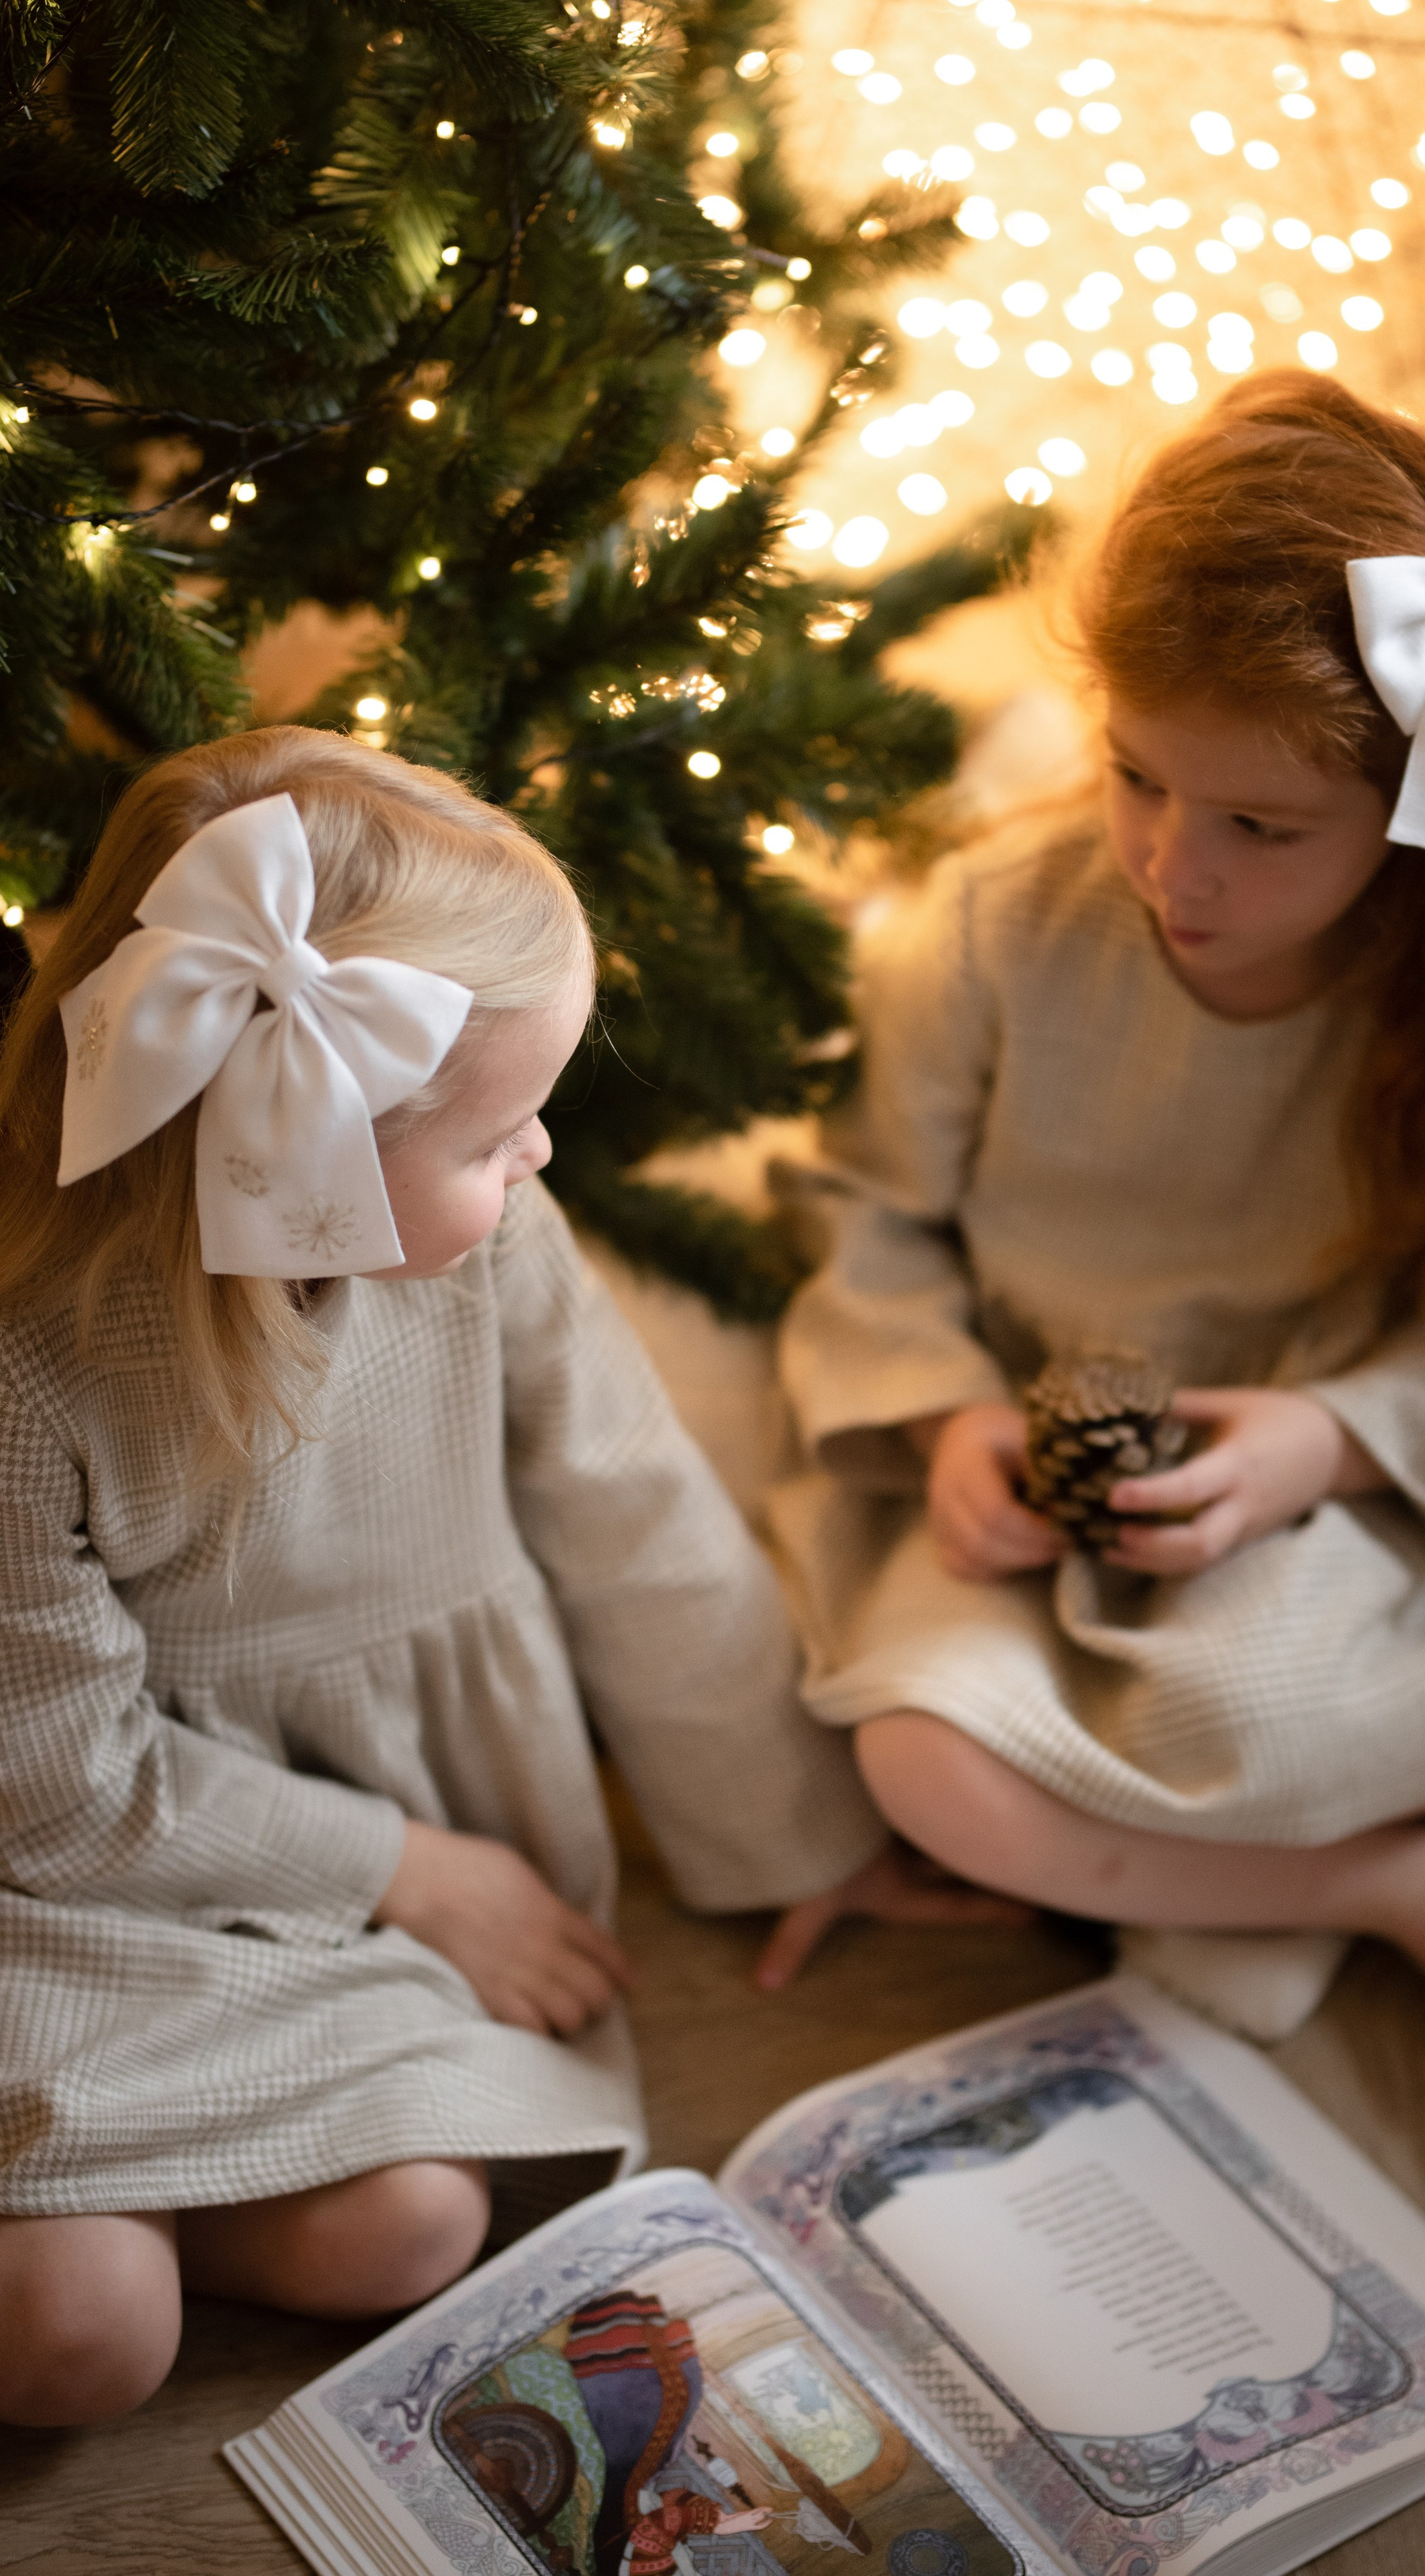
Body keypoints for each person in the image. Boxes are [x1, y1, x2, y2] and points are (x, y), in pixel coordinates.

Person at [0, 727, 1006, 2431]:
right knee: (80, 2336)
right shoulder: (37, 1377)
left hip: (350, 1885)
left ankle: (128, 2166)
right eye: (496, 1135)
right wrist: (411, 1870)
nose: (539, 1160)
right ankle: (88, 2195)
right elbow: (57, 1786)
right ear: (297, 1155)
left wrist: (803, 1835)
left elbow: (635, 1513)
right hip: (94, 1876)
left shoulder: (495, 1248)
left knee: (414, 2225)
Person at [770, 374, 1425, 2092]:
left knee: (1249, 1705)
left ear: (1420, 812)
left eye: (1256, 829)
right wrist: (944, 1421)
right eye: (1132, 776)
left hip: (1306, 1431)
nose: (1166, 866)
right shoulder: (991, 926)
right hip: (1032, 1426)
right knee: (922, 1765)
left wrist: (1320, 1442)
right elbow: (868, 1216)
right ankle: (1396, 1873)